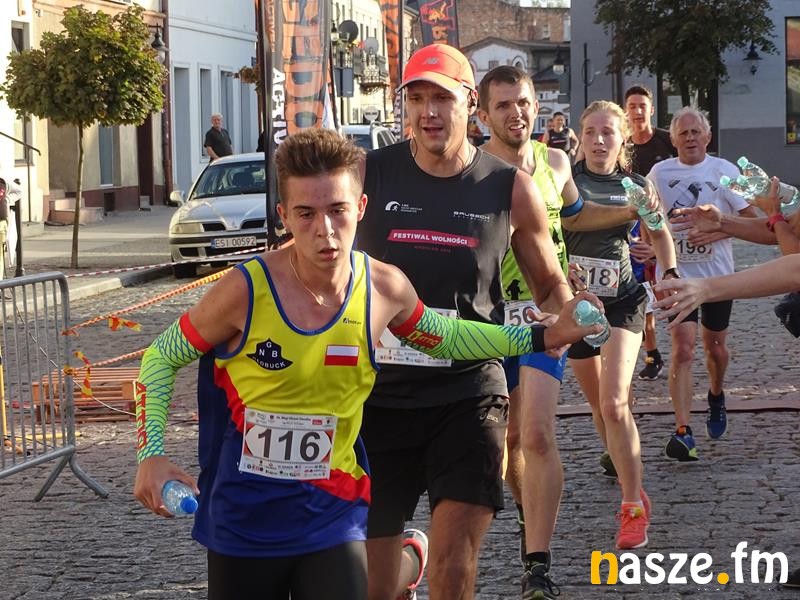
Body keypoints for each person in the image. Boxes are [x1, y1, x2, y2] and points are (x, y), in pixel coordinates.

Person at [133, 128, 598, 600]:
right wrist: (151, 454)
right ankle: (411, 559)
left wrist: (543, 335)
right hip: (244, 518)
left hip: (333, 511)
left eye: (337, 210)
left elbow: (446, 338)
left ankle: (405, 560)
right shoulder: (245, 290)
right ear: (284, 216)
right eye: (306, 214)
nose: (325, 230)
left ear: (361, 208)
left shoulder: (383, 287)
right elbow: (160, 357)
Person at [356, 44, 575, 600]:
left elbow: (550, 284)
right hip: (378, 395)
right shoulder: (368, 174)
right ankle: (411, 558)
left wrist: (568, 315)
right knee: (372, 583)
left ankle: (432, 561)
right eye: (416, 98)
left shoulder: (507, 186)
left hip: (468, 390)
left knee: (455, 565)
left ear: (470, 104)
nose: (429, 112)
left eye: (443, 98)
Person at [476, 65, 669, 595]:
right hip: (489, 319)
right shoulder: (471, 168)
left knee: (539, 432)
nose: (516, 113)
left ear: (536, 106)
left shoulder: (555, 161)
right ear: (484, 115)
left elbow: (575, 217)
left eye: (523, 102)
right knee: (511, 440)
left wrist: (632, 211)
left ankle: (537, 564)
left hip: (548, 314)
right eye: (503, 105)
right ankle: (527, 511)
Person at [563, 100, 677, 550]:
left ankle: (632, 506)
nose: (598, 141)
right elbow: (548, 231)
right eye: (591, 132)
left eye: (608, 132)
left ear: (623, 137)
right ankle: (624, 465)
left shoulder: (636, 186)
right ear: (581, 136)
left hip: (623, 301)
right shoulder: (565, 180)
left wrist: (669, 272)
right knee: (598, 407)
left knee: (614, 403)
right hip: (576, 307)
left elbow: (661, 234)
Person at [647, 107, 757, 460]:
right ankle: (683, 431)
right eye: (683, 133)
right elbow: (648, 219)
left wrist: (718, 229)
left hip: (717, 276)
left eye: (696, 132)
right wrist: (648, 247)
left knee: (716, 349)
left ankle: (716, 394)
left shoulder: (725, 171)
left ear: (708, 137)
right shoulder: (659, 173)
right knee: (683, 348)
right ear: (673, 139)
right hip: (677, 275)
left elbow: (754, 221)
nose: (690, 138)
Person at [624, 84, 677, 380]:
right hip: (634, 227)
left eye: (642, 106)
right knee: (642, 294)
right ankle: (652, 353)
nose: (637, 111)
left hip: (667, 225)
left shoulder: (666, 141)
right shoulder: (622, 145)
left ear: (651, 110)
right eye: (632, 106)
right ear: (626, 112)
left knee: (666, 292)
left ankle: (679, 342)